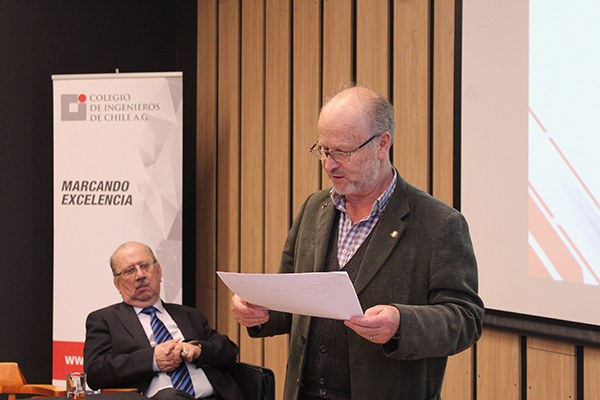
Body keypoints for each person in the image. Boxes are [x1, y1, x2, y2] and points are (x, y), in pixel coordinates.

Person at [231, 84, 485, 400]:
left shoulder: (439, 223)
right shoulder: (314, 208)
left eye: (342, 152)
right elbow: (291, 299)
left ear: (382, 144)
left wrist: (401, 323)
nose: (329, 164)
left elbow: (465, 319)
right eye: (324, 150)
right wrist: (259, 309)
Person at [84, 241, 244, 400]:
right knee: (170, 396)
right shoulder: (104, 320)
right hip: (161, 397)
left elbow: (229, 352)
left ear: (159, 272)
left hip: (213, 397)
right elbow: (95, 373)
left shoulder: (189, 314)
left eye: (145, 266)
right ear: (117, 284)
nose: (140, 275)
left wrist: (198, 350)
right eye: (129, 271)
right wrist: (152, 359)